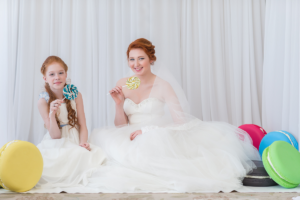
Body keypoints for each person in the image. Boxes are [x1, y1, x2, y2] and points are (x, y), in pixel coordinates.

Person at [89, 38, 260, 192]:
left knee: (147, 155)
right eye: (132, 59)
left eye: (141, 58)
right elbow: (120, 127)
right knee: (107, 144)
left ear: (151, 60)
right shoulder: (123, 84)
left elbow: (181, 122)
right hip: (129, 134)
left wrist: (147, 130)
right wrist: (119, 104)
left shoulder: (163, 86)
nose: (136, 64)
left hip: (154, 133)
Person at [36, 56, 106, 191]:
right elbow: (55, 136)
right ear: (45, 78)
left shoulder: (76, 95)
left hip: (75, 138)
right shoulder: (43, 101)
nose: (57, 77)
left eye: (60, 73)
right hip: (56, 141)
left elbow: (83, 125)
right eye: (52, 74)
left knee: (82, 156)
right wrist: (51, 114)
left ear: (66, 74)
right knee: (52, 165)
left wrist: (83, 143)